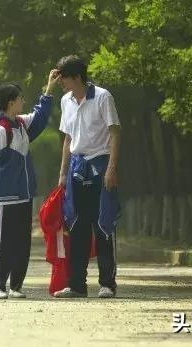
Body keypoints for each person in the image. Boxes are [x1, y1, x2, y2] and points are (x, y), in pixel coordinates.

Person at [0, 69, 60, 299]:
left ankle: (16, 286)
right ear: (10, 103)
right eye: (20, 98)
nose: (23, 102)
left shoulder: (22, 125)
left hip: (25, 195)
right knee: (5, 243)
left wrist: (49, 88)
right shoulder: (1, 130)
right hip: (7, 197)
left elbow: (41, 115)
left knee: (22, 243)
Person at [52, 55, 122, 299]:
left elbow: (114, 133)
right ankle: (77, 285)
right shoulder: (65, 101)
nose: (60, 81)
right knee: (76, 226)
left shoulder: (103, 97)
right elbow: (68, 139)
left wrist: (112, 168)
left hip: (101, 165)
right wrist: (62, 173)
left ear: (77, 77)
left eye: (63, 77)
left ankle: (107, 284)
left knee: (103, 223)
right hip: (76, 167)